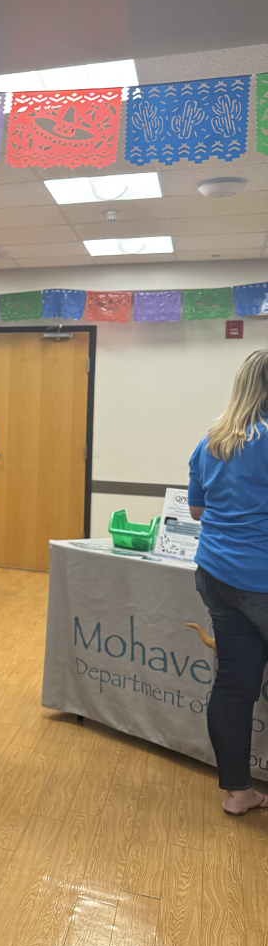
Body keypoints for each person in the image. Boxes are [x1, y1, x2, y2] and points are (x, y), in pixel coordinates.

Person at [188, 349, 268, 816]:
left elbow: (198, 511)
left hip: (217, 576)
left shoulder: (212, 442)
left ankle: (237, 792)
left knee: (234, 688)